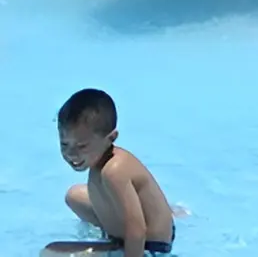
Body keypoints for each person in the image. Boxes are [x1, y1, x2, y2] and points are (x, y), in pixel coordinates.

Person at [46, 89, 176, 254]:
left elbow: (136, 232)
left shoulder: (113, 171)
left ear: (111, 138)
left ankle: (116, 245)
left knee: (51, 253)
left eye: (82, 146)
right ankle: (165, 211)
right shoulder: (100, 158)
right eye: (64, 144)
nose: (71, 153)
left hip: (149, 246)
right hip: (141, 230)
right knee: (74, 196)